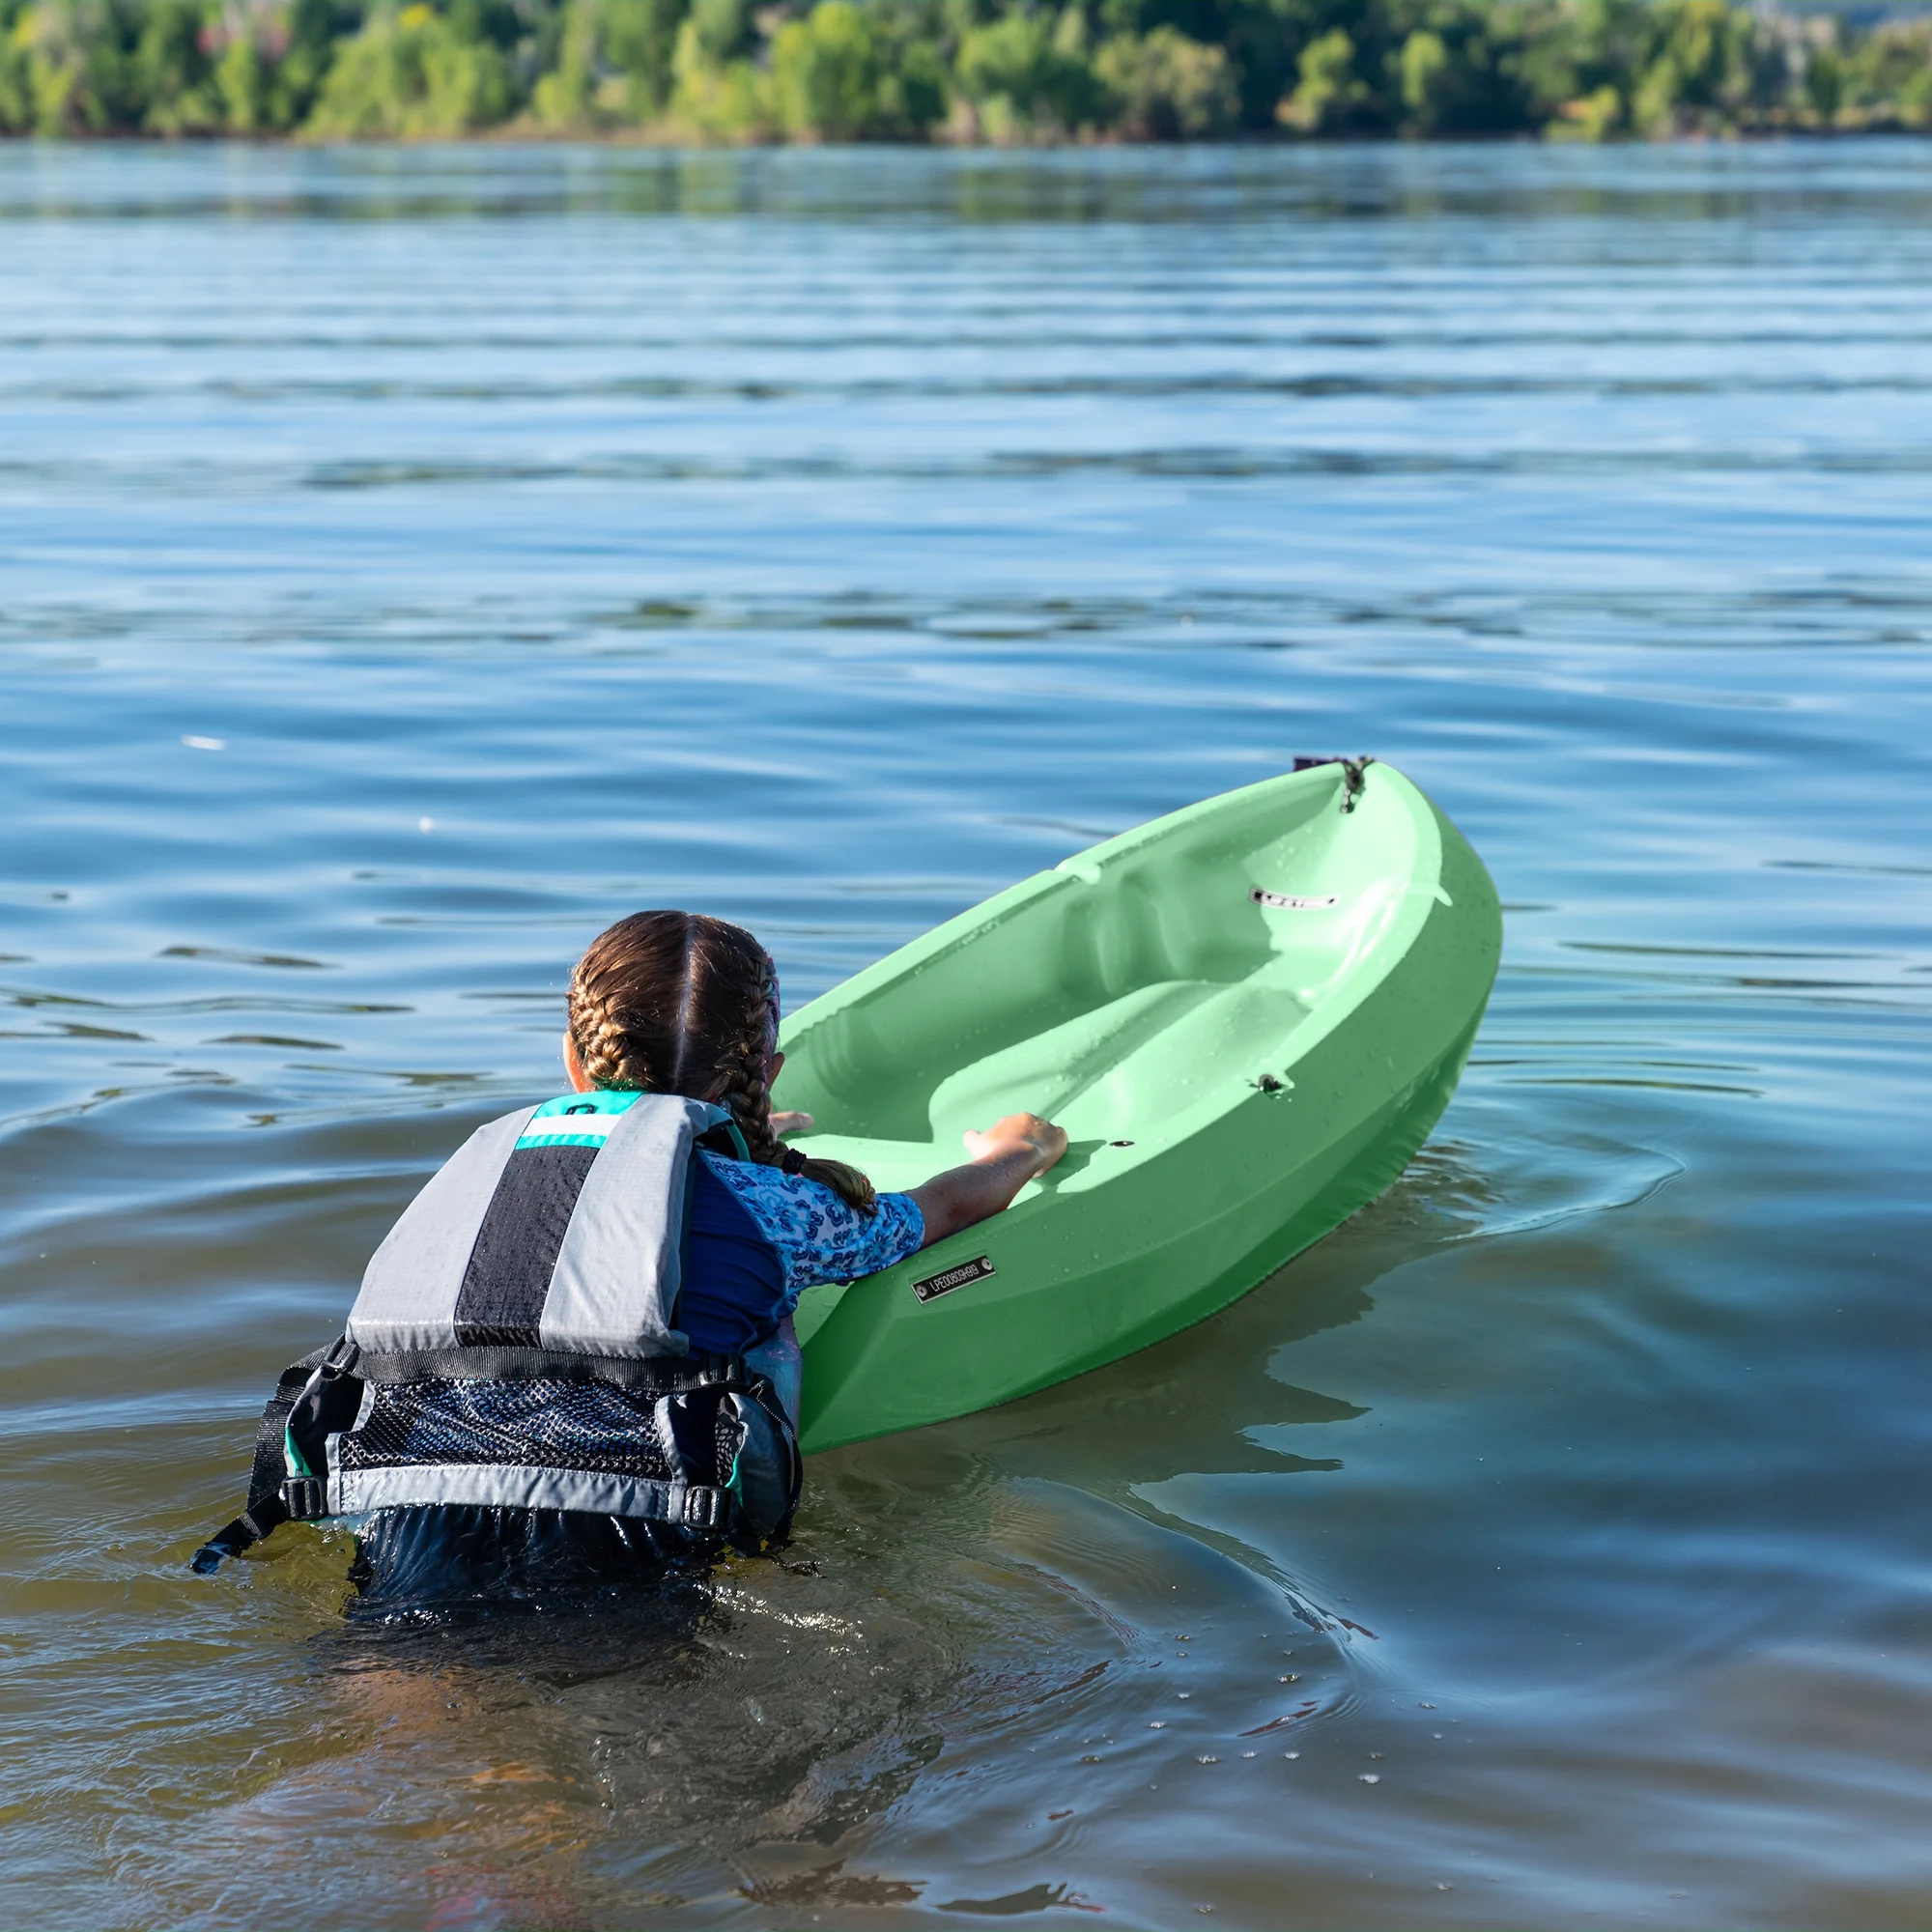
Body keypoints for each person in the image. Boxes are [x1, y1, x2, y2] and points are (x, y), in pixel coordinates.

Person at [193, 910, 1065, 1615]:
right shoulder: (786, 1209)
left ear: (573, 1062)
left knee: (403, 1717)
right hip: (636, 1515)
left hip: (412, 1503)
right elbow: (939, 1211)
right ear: (765, 1071)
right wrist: (1016, 1150)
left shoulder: (486, 1170)